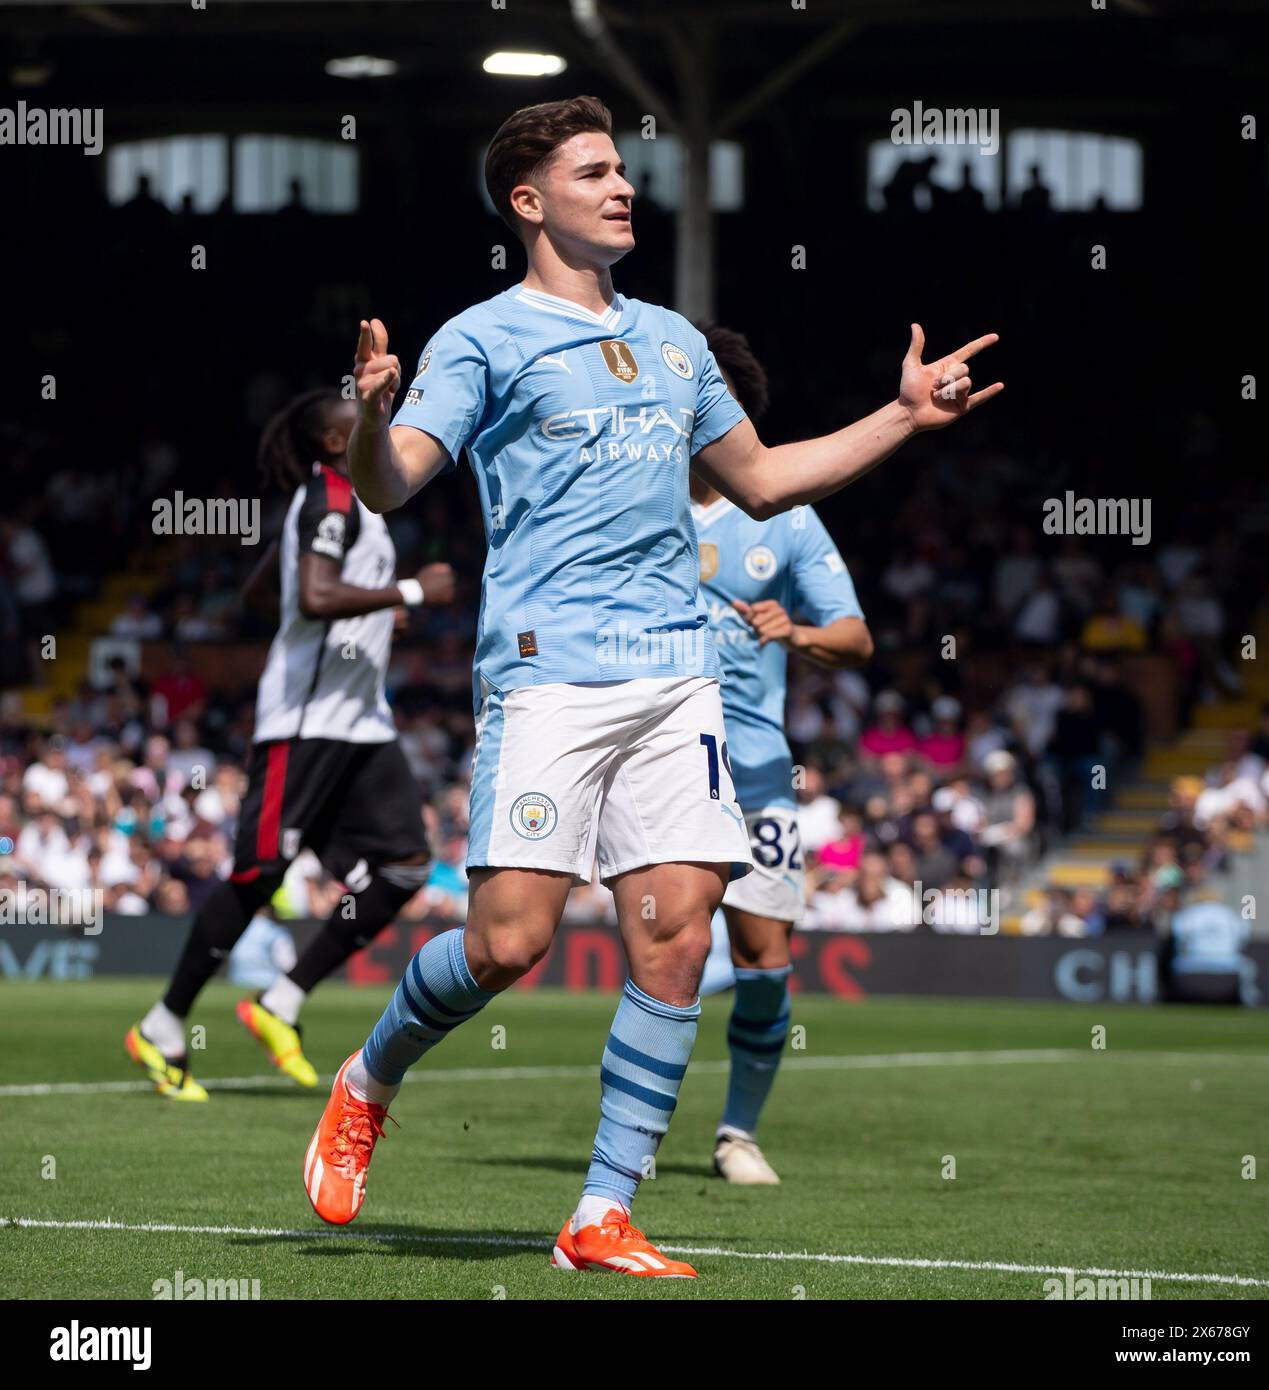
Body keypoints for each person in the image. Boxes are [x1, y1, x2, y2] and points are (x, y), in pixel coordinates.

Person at [305, 94, 1001, 1278]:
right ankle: (368, 1077)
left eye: (623, 168)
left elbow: (769, 481)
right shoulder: (482, 339)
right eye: (592, 172)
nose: (621, 185)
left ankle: (600, 1212)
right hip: (547, 682)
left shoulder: (677, 341)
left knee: (673, 941)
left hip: (677, 682)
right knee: (506, 944)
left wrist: (898, 415)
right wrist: (372, 421)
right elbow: (389, 487)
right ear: (529, 202)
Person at [125, 388, 455, 1101]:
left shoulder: (354, 500)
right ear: (337, 444)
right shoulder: (329, 496)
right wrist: (410, 595)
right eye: (362, 422)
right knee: (259, 875)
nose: (380, 428)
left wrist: (363, 620)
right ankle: (164, 1023)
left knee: (404, 865)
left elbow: (263, 593)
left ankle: (281, 1001)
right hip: (305, 724)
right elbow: (311, 595)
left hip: (360, 723)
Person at [688, 322, 872, 1184]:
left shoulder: (787, 518)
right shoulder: (628, 496)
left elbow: (855, 639)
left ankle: (738, 1134)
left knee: (762, 960)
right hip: (654, 751)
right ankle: (634, 1134)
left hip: (755, 766)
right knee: (669, 948)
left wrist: (791, 631)